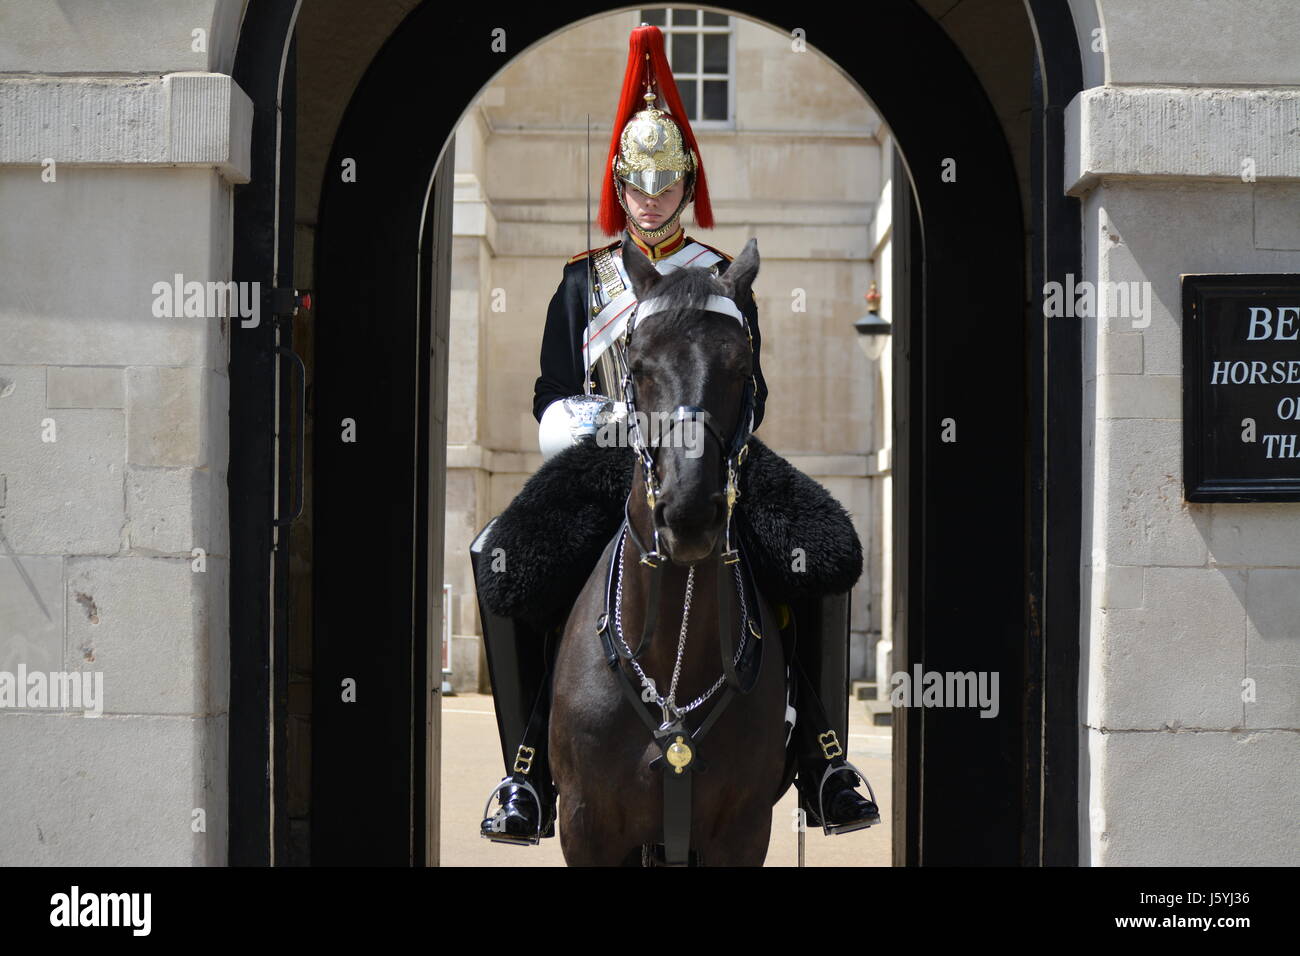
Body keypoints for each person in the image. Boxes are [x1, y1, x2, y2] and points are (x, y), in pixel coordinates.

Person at [475, 23, 880, 847]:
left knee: (825, 547)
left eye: (666, 184)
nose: (651, 199)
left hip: (714, 455)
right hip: (606, 461)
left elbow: (754, 388)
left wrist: (718, 437)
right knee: (500, 555)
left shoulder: (723, 272)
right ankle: (524, 769)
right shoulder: (579, 283)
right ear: (618, 186)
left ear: (687, 183)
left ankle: (826, 761)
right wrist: (611, 423)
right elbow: (551, 395)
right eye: (637, 185)